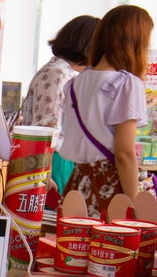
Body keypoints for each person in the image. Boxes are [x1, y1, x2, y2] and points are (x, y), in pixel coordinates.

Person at [58, 5, 153, 219]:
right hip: (110, 187)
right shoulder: (127, 84)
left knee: (75, 247)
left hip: (77, 183)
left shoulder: (76, 82)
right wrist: (135, 206)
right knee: (110, 249)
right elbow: (124, 154)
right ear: (135, 42)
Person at [19, 15, 100, 197]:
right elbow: (46, 126)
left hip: (55, 158)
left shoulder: (62, 71)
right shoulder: (58, 74)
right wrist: (44, 173)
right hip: (53, 160)